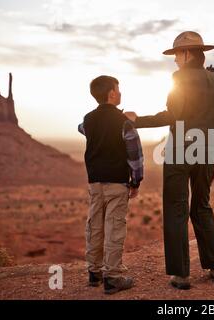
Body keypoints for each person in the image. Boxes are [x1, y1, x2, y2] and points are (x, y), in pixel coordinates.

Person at [125, 31, 214, 290]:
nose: (174, 61)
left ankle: (181, 275)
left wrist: (136, 120)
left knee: (176, 208)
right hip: (207, 152)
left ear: (186, 54)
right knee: (202, 206)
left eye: (176, 55)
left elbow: (171, 116)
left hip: (180, 152)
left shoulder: (180, 78)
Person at [78, 75, 144, 294]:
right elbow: (135, 154)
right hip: (117, 182)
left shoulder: (88, 120)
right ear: (112, 93)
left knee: (94, 225)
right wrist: (136, 181)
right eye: (118, 88)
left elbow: (82, 128)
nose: (120, 92)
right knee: (114, 227)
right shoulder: (124, 122)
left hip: (95, 182)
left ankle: (94, 272)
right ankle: (113, 277)